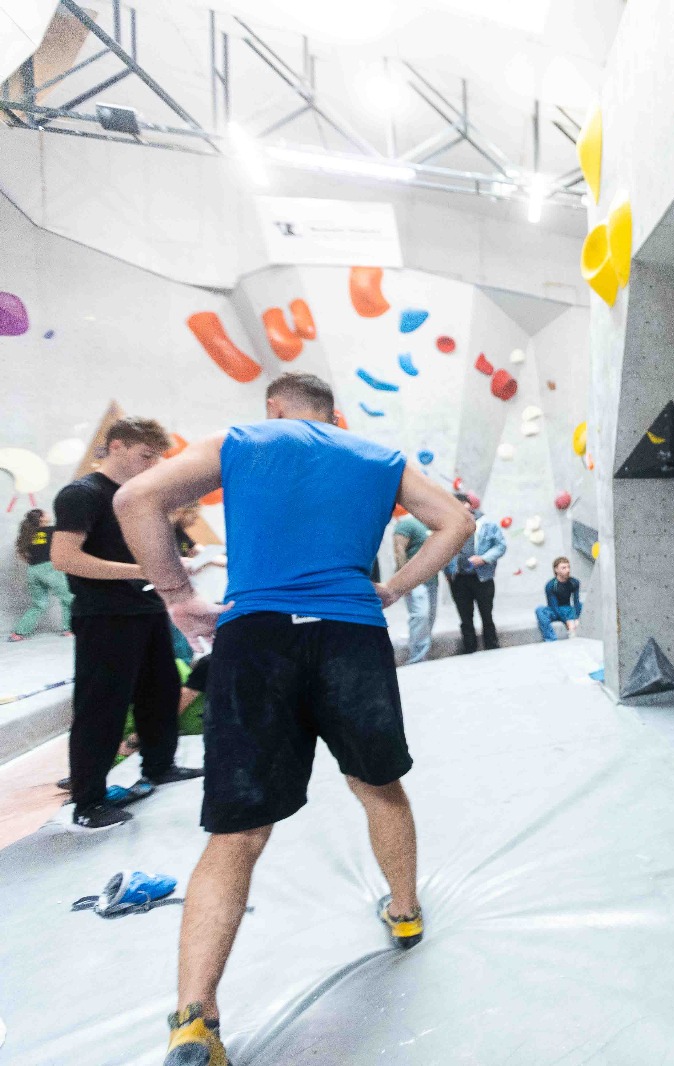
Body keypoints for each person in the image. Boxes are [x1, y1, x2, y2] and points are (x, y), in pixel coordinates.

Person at [112, 371, 475, 1066]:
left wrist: (177, 595)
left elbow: (136, 498)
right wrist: (394, 586)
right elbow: (457, 521)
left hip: (258, 636)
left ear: (274, 407)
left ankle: (195, 1018)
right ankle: (404, 915)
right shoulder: (378, 457)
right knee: (378, 785)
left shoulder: (242, 439)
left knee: (237, 832)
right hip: (351, 634)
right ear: (332, 415)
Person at [51, 417, 203, 831]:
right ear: (116, 446)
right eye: (145, 455)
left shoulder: (136, 498)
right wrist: (141, 569)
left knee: (161, 691)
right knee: (102, 706)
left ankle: (159, 765)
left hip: (147, 608)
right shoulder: (82, 494)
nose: (152, 464)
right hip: (104, 615)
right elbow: (65, 558)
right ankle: (88, 799)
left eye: (156, 457)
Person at [444, 492, 505, 654]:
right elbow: (442, 550)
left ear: (469, 506)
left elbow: (500, 546)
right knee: (465, 616)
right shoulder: (447, 525)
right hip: (458, 578)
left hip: (482, 577)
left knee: (486, 613)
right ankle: (469, 647)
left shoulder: (487, 524)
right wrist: (447, 570)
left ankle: (491, 645)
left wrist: (484, 558)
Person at [10, 509, 73, 640]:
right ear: (41, 519)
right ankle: (68, 629)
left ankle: (18, 633)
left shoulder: (28, 534)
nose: (48, 514)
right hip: (49, 569)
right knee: (68, 598)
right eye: (45, 514)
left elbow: (25, 554)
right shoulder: (51, 530)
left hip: (33, 571)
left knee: (39, 604)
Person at [392, 510, 436, 664]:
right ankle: (416, 658)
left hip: (431, 579)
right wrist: (404, 581)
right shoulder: (404, 525)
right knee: (420, 616)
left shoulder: (426, 524)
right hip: (415, 580)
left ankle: (422, 655)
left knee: (429, 617)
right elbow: (399, 552)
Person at [536, 556, 582, 641]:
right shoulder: (550, 585)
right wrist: (567, 621)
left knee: (584, 605)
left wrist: (577, 618)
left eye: (568, 567)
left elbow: (576, 601)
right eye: (564, 568)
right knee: (540, 610)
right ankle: (551, 639)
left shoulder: (574, 582)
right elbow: (554, 606)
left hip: (568, 609)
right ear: (556, 570)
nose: (567, 570)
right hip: (554, 610)